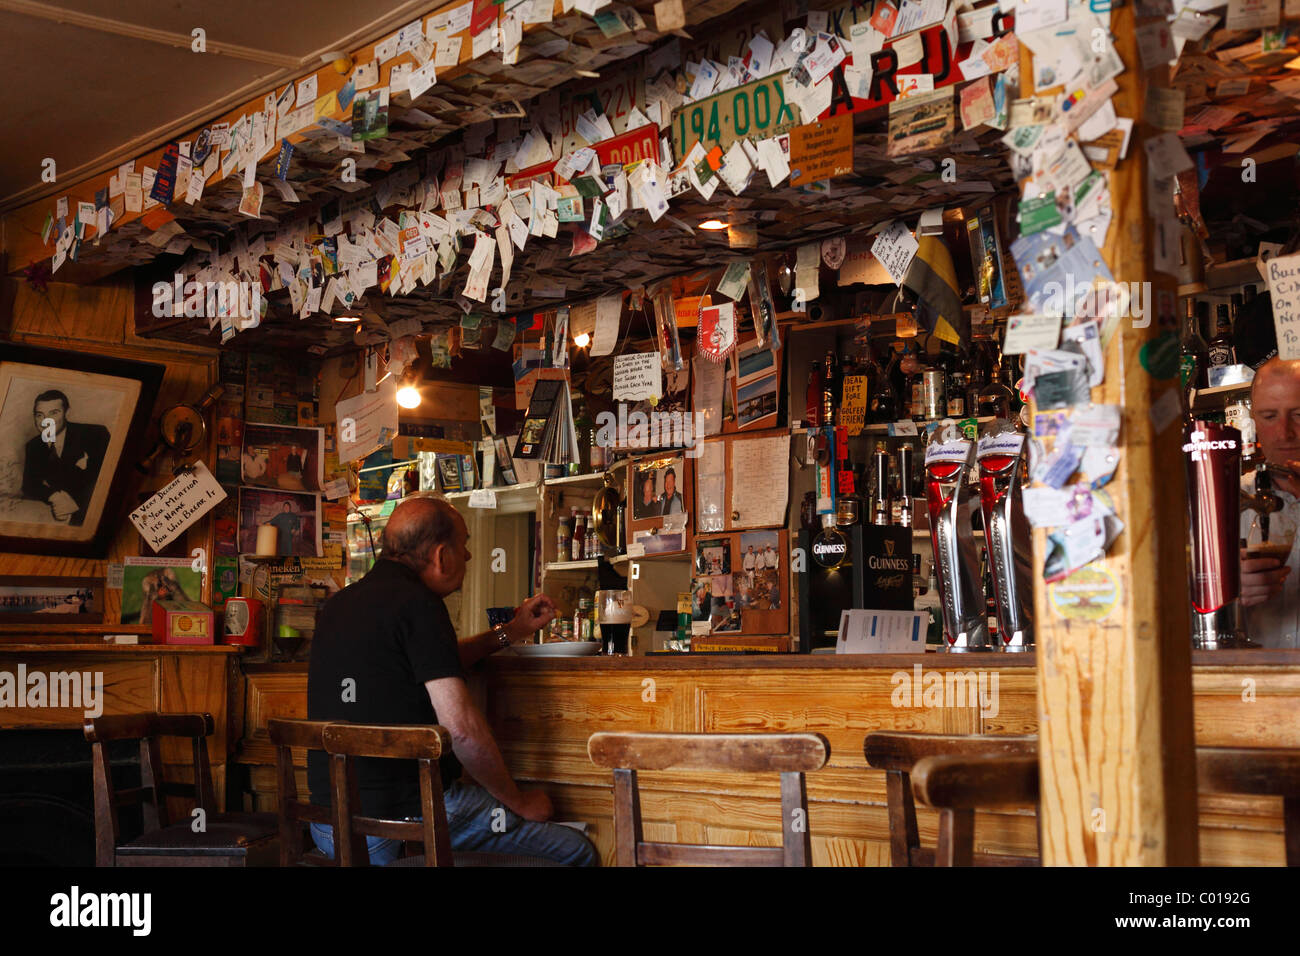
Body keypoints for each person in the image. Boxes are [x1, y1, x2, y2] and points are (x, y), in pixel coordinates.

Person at [306, 495, 598, 866]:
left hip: (330, 826)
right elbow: (460, 730)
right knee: (574, 851)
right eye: (465, 545)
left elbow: (429, 662)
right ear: (442, 556)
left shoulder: (340, 604)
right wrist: (520, 801)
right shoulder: (419, 604)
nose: (471, 556)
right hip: (396, 825)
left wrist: (510, 632)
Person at [1240, 358, 1300, 647]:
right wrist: (1219, 590)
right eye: (1269, 416)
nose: (1285, 433)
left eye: (1299, 414)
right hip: (1257, 687)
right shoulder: (1227, 501)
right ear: (1253, 420)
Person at [20, 390, 110, 526]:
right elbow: (29, 484)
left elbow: (106, 479)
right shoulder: (34, 445)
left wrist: (75, 503)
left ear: (67, 413)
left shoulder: (95, 434)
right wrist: (55, 496)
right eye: (39, 415)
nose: (45, 421)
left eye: (53, 413)